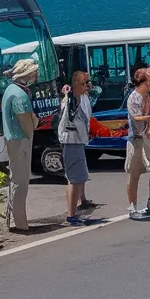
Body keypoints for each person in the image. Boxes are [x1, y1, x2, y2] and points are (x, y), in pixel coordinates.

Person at [3, 59, 38, 233]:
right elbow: (26, 122)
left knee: (14, 179)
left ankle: (12, 218)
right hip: (20, 140)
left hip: (12, 139)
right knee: (21, 182)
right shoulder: (20, 95)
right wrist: (34, 124)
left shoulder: (10, 89)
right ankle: (21, 222)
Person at [125, 67, 150, 220]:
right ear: (141, 82)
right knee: (134, 174)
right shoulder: (133, 98)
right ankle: (132, 208)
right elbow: (136, 117)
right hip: (136, 139)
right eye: (149, 81)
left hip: (149, 138)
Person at [58, 70, 94, 226]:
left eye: (87, 83)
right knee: (76, 178)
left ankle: (72, 213)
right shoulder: (72, 99)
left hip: (76, 141)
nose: (87, 86)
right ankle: (71, 216)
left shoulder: (78, 97)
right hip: (71, 141)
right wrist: (67, 94)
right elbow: (72, 118)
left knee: (75, 178)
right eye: (84, 83)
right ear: (75, 85)